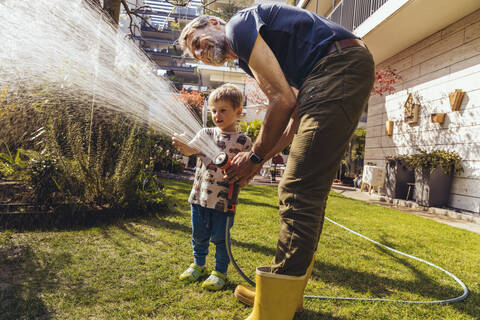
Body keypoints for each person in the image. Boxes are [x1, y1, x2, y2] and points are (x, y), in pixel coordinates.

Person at [179, 3, 374, 319]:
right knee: (303, 187)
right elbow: (294, 113)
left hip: (336, 67)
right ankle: (280, 294)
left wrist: (254, 156)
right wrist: (257, 159)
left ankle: (275, 307)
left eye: (197, 41)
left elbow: (282, 101)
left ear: (213, 22)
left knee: (298, 189)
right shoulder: (248, 55)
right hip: (334, 71)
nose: (200, 52)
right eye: (195, 53)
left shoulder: (238, 26)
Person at [172, 84, 252, 291]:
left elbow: (250, 171)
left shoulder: (244, 142)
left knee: (220, 238)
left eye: (223, 110)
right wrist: (182, 144)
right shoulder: (206, 133)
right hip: (199, 197)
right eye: (214, 110)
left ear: (238, 112)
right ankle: (198, 265)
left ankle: (219, 272)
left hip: (225, 202)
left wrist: (243, 180)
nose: (217, 115)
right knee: (198, 235)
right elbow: (191, 149)